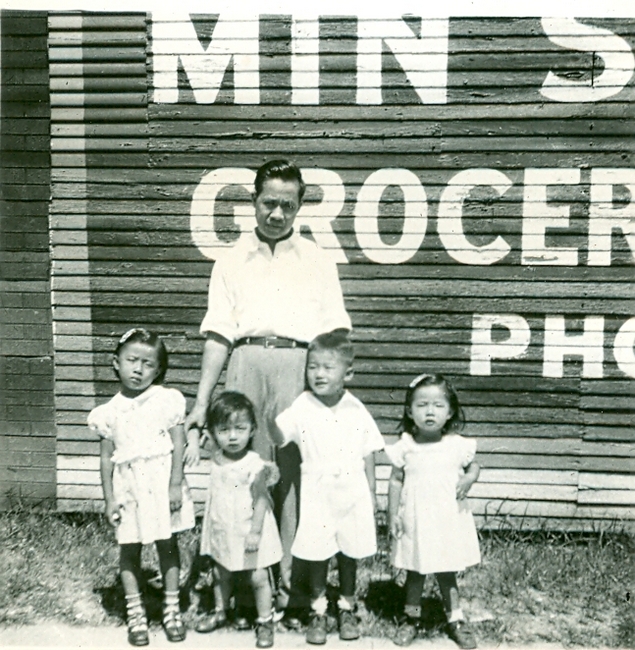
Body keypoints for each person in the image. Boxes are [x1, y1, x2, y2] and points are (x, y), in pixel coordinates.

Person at [184, 159, 352, 623]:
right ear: (253, 200)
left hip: (299, 367)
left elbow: (335, 331)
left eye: (287, 205)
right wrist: (201, 402)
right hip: (246, 363)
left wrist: (330, 395)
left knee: (295, 478)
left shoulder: (318, 259)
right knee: (246, 476)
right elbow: (218, 334)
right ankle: (244, 591)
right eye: (268, 203)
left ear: (300, 207)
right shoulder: (231, 258)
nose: (276, 214)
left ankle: (296, 593)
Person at [272, 331, 384, 645]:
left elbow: (369, 452)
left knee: (350, 551)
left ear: (348, 373)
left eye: (327, 368)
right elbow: (281, 436)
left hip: (352, 491)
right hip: (318, 491)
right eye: (313, 367)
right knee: (318, 553)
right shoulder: (302, 405)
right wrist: (269, 420)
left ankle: (347, 606)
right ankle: (319, 609)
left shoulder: (355, 408)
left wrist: (372, 493)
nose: (319, 374)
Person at [89, 328, 195, 647]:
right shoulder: (108, 412)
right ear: (116, 363)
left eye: (148, 364)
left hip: (162, 484)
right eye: (131, 361)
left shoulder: (167, 400)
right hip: (129, 490)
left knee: (168, 546)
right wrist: (109, 500)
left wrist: (175, 485)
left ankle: (171, 609)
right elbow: (107, 460)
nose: (138, 369)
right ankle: (136, 614)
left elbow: (179, 444)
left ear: (159, 369)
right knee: (129, 549)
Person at [386, 373, 481, 649]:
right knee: (416, 571)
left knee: (446, 571)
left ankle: (456, 619)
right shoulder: (406, 446)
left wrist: (469, 478)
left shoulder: (456, 444)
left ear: (450, 411)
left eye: (438, 406)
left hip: (446, 521)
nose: (429, 412)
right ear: (409, 410)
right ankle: (410, 618)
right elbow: (395, 480)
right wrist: (392, 515)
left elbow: (475, 466)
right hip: (415, 520)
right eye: (422, 405)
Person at [195, 391, 282, 648]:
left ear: (253, 429)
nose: (232, 437)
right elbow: (196, 434)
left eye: (240, 428)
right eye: (224, 430)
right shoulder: (217, 456)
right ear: (212, 432)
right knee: (221, 573)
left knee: (257, 577)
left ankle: (265, 620)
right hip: (223, 527)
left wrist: (255, 532)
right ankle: (221, 611)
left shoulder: (255, 464)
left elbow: (262, 500)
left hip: (249, 529)